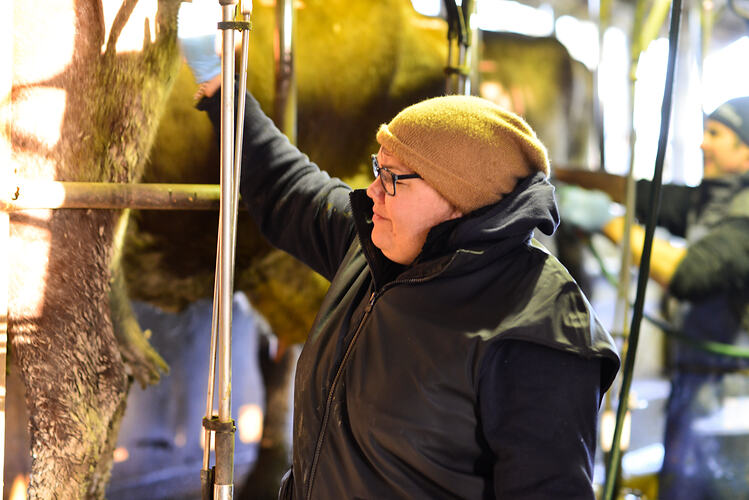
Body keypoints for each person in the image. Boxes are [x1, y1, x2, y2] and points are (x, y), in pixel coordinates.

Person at [178, 21, 620, 499]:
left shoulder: (538, 334)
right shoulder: (375, 247)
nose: (371, 193)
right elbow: (286, 183)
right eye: (377, 168)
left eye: (391, 177)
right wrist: (223, 87)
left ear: (458, 198)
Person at [556, 95, 749, 499]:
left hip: (733, 402)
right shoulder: (713, 200)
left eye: (716, 134)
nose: (702, 143)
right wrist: (557, 172)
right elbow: (641, 193)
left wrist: (608, 221)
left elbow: (688, 274)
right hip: (697, 388)